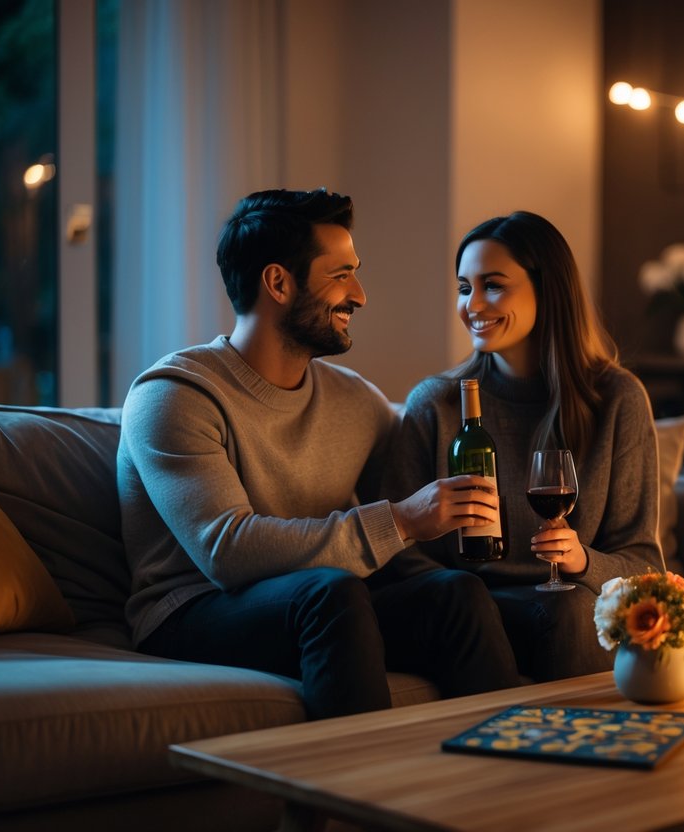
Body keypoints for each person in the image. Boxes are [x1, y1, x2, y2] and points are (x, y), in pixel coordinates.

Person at [118, 188, 521, 720]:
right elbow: (226, 551)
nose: (360, 295)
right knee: (332, 594)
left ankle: (506, 775)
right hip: (192, 611)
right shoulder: (173, 395)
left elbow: (418, 495)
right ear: (278, 283)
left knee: (456, 595)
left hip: (325, 603)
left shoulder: (355, 401)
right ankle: (354, 799)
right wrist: (399, 521)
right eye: (341, 275)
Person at [378, 211, 662, 681]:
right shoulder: (437, 404)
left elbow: (644, 562)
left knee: (567, 611)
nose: (472, 305)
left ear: (547, 290)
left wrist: (581, 559)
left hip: (560, 605)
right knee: (483, 605)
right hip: (464, 608)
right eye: (464, 288)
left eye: (492, 285)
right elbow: (399, 548)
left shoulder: (617, 400)